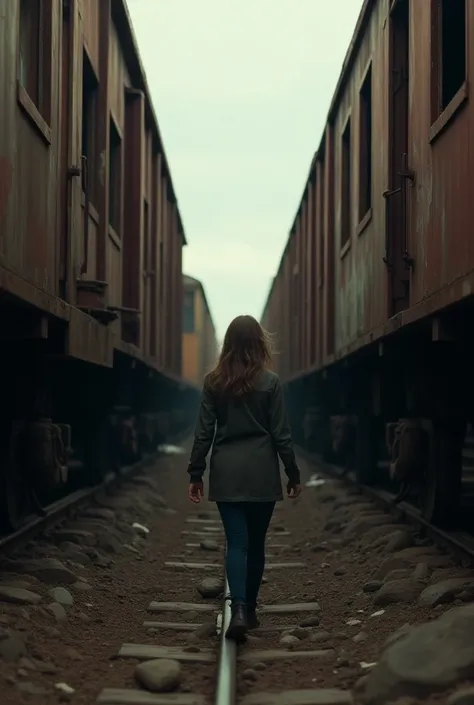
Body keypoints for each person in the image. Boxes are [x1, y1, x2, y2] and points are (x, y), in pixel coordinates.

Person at [187, 314, 301, 641]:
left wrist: (196, 472)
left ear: (228, 344)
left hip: (226, 473)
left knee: (236, 543)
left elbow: (203, 433)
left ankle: (236, 608)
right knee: (257, 545)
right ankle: (249, 609)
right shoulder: (271, 382)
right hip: (262, 473)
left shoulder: (213, 382)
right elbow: (281, 434)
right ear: (259, 343)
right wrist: (292, 472)